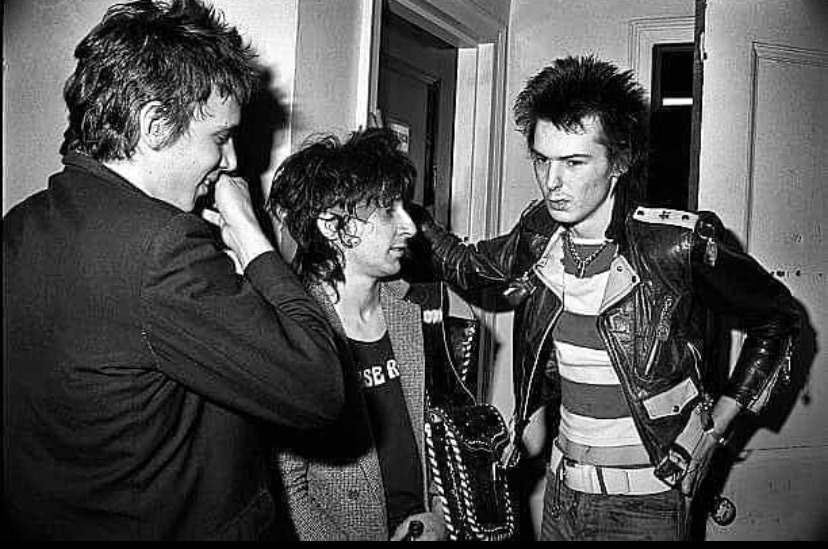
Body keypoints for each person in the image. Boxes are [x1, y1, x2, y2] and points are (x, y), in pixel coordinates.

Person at [407, 55, 800, 540]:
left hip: (645, 502)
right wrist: (408, 215)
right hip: (561, 490)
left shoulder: (675, 244)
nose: (553, 182)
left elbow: (779, 319)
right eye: (542, 160)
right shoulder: (538, 234)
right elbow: (471, 266)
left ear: (619, 160)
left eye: (574, 162)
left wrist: (715, 429)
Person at [2, 0, 345, 540]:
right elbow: (318, 388)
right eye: (219, 136)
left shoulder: (20, 224)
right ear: (156, 125)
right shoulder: (162, 247)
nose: (231, 161)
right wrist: (255, 241)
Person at [267, 128, 446, 541]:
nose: (410, 227)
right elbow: (289, 492)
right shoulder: (293, 330)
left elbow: (437, 440)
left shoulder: (413, 315)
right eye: (387, 210)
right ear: (332, 225)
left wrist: (438, 518)